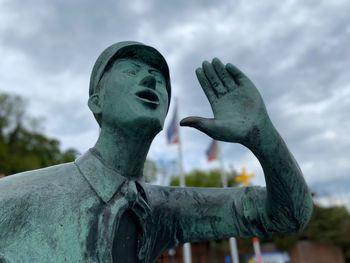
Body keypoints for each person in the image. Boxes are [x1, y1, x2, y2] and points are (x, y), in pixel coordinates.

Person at [0, 41, 313, 263]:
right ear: (97, 101)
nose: (150, 79)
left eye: (161, 79)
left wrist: (264, 139)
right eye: (131, 70)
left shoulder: (167, 210)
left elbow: (289, 216)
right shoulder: (12, 198)